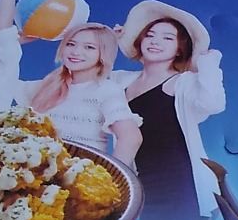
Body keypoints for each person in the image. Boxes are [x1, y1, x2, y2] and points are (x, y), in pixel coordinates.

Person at [111, 0, 226, 220]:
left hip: (180, 186)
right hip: (143, 185)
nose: (155, 41)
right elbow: (88, 77)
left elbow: (213, 104)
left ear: (180, 49)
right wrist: (111, 41)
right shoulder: (121, 80)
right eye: (150, 35)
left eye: (167, 38)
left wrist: (208, 61)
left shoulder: (182, 83)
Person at [11, 23, 142, 157]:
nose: (76, 52)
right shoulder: (47, 86)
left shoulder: (106, 89)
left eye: (89, 47)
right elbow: (1, 84)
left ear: (104, 53)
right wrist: (15, 41)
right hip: (41, 166)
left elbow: (130, 137)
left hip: (82, 167)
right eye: (71, 44)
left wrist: (111, 170)